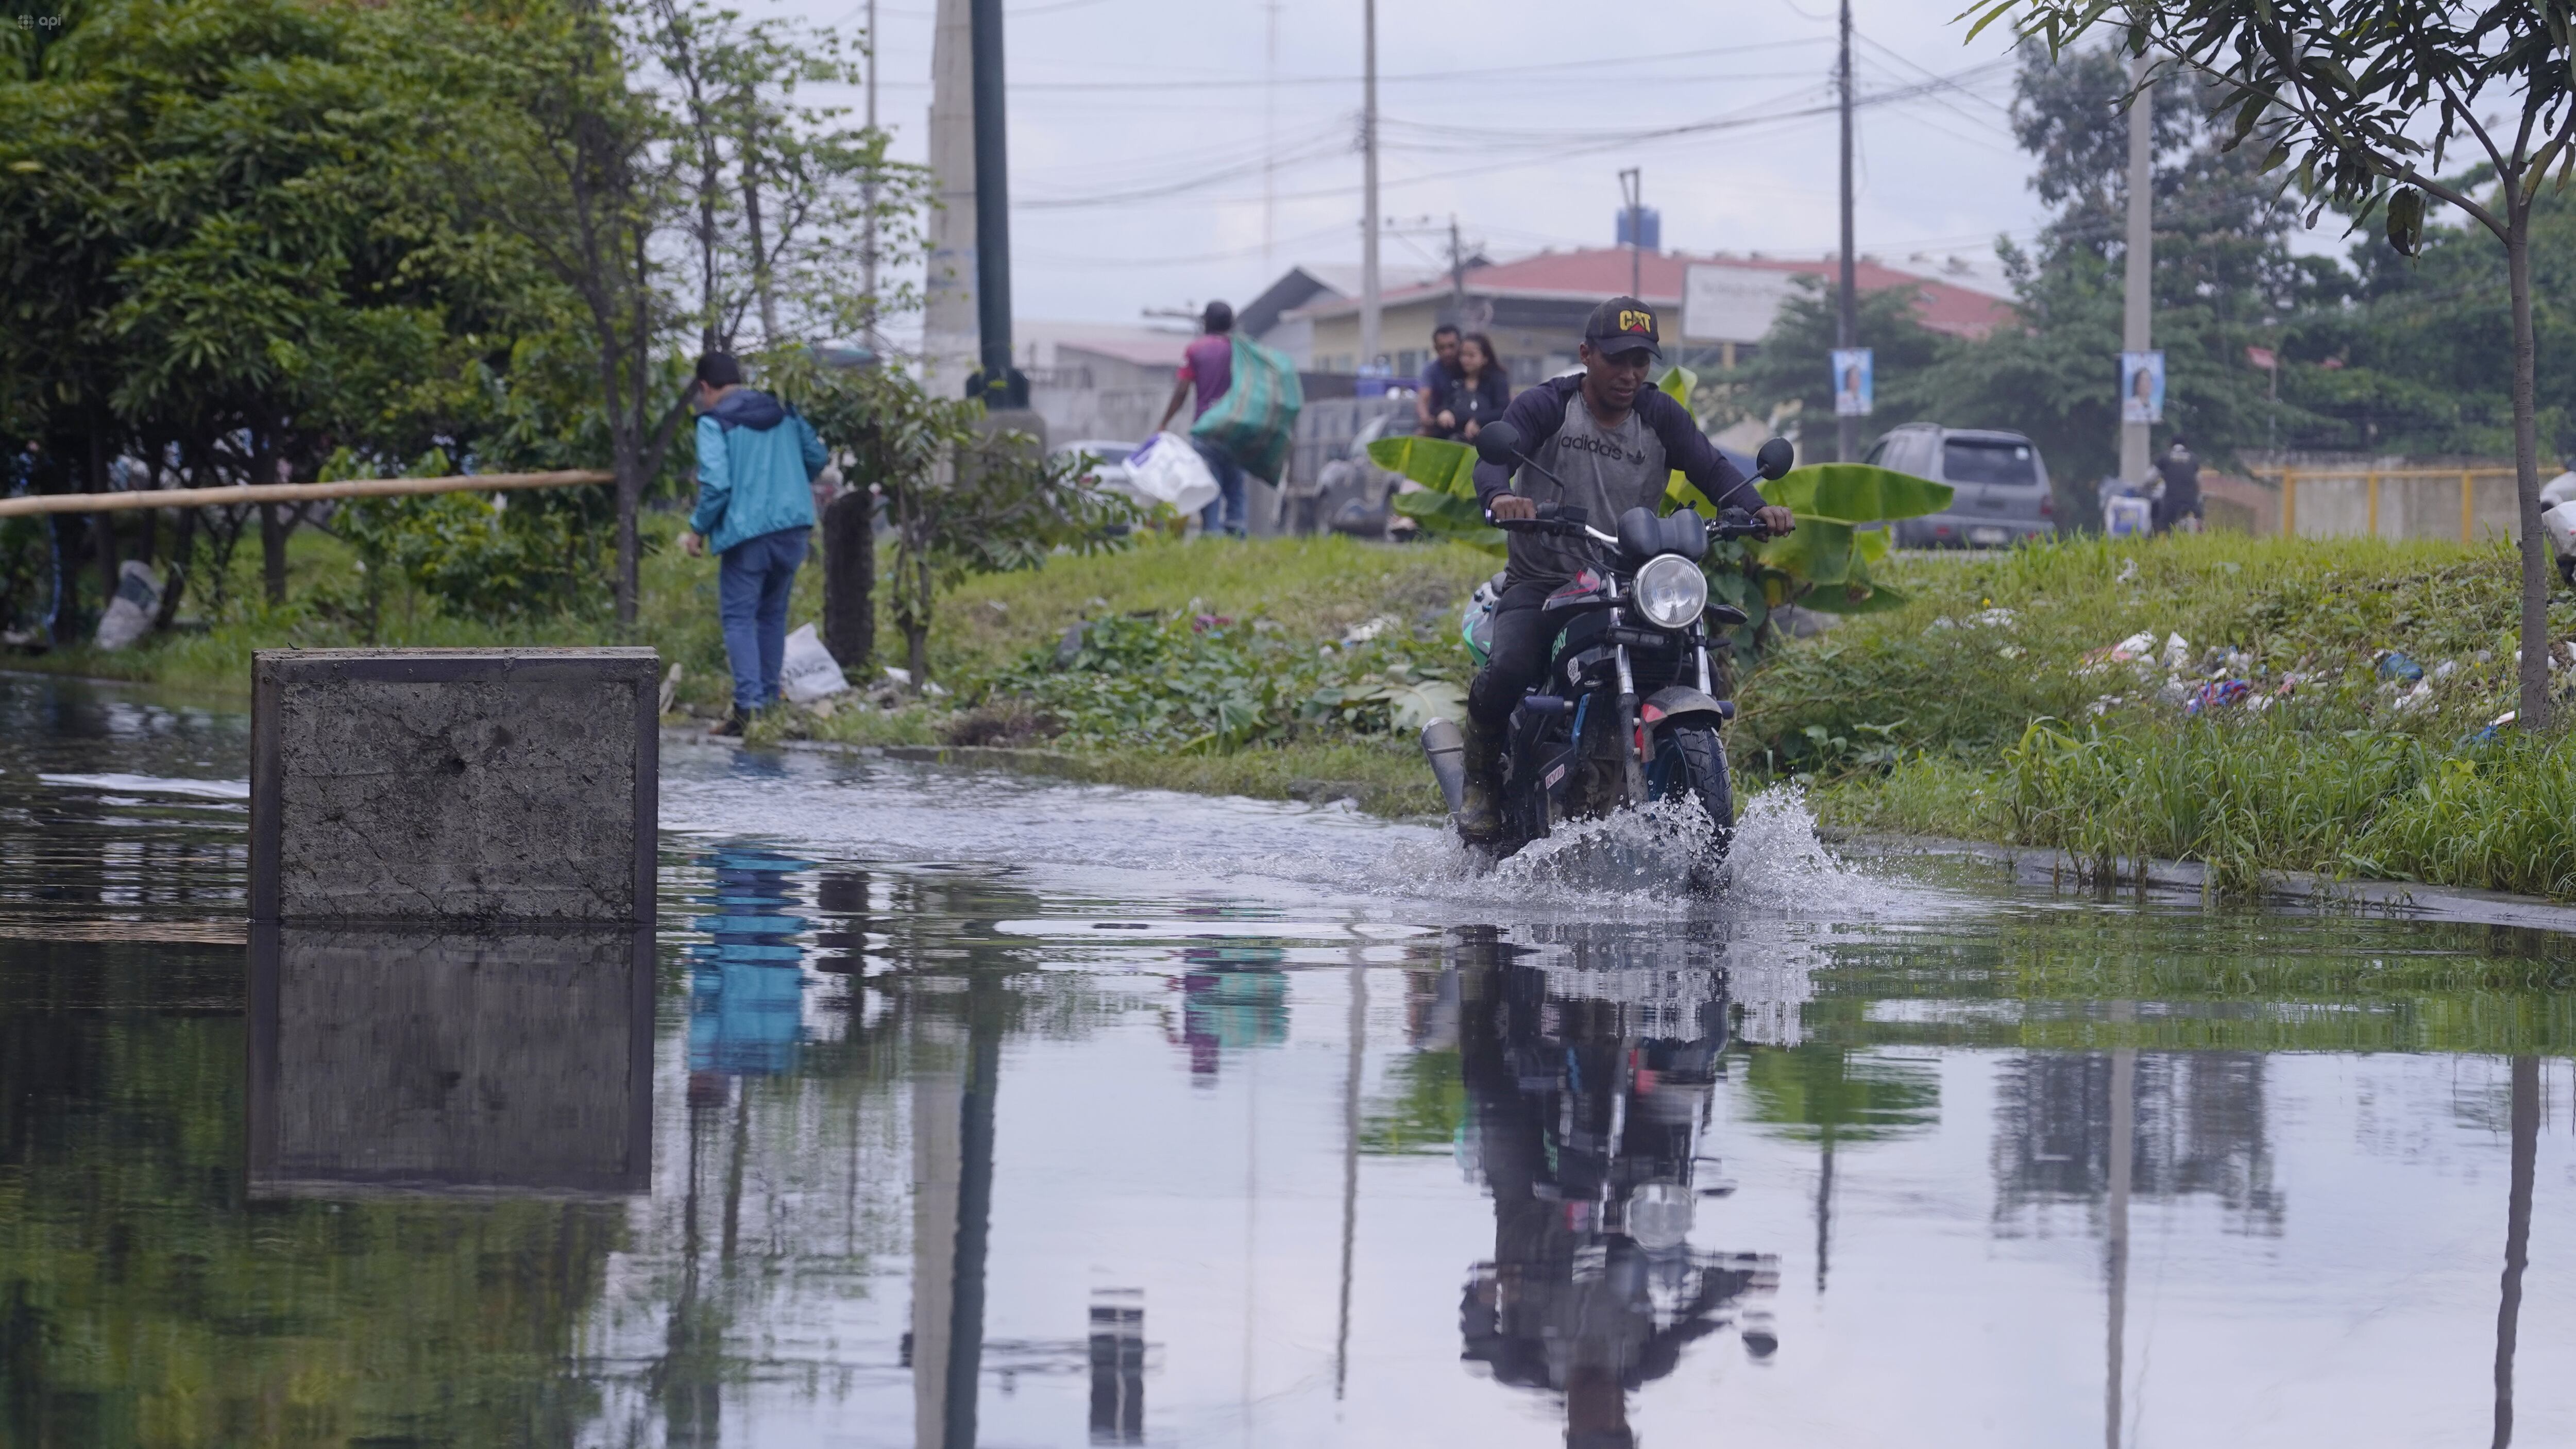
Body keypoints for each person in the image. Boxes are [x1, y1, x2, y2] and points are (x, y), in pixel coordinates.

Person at [1458, 297, 1795, 839]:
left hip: (1630, 583)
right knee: (1510, 669)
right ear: (1586, 354)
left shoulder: (1658, 414)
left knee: (1688, 656)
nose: (1630, 373)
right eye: (1617, 360)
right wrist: (1501, 497)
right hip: (1544, 579)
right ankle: (1480, 782)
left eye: (1641, 361)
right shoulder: (1549, 404)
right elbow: (1495, 455)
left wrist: (1757, 510)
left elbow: (1711, 467)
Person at [677, 351, 828, 736]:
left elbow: (716, 485)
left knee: (739, 618)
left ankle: (748, 710)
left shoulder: (714, 422)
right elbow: (817, 456)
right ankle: (769, 705)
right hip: (793, 527)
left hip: (748, 534)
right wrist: (790, 479)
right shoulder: (784, 410)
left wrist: (697, 530)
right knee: (772, 615)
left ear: (705, 387)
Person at [1156, 300, 1248, 538]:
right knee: (1236, 488)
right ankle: (1238, 538)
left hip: (1207, 430)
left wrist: (1165, 421)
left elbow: (1182, 391)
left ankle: (1212, 536)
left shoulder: (1196, 350)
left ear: (1206, 322)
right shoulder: (1242, 350)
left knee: (1210, 488)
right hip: (1237, 430)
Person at [1432, 332, 1512, 442]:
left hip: (1486, 439)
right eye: (1463, 355)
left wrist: (1479, 421)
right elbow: (1442, 403)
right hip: (1453, 438)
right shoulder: (1454, 379)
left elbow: (1503, 409)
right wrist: (1444, 412)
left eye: (1471, 356)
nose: (1465, 360)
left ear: (1485, 358)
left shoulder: (1497, 380)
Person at [1415, 325, 1465, 434]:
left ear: (1460, 345)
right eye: (1442, 348)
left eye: (1452, 346)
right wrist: (1425, 419)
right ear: (1436, 348)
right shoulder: (1431, 370)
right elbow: (1424, 398)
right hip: (1439, 425)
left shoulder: (1468, 367)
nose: (1447, 352)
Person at [2151, 436, 2203, 533]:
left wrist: (2144, 487)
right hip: (2191, 501)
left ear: (2171, 444)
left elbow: (2151, 477)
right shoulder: (2194, 458)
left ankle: (2163, 541)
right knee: (2199, 521)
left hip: (2171, 500)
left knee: (2163, 525)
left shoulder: (2164, 457)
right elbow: (2199, 481)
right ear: (2186, 445)